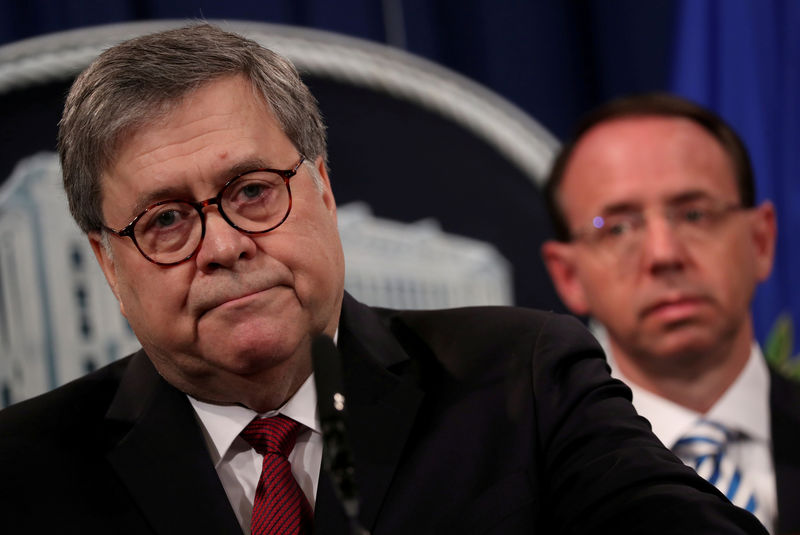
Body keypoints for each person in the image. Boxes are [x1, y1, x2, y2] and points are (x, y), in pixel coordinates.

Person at [0, 25, 767, 535]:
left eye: (253, 191)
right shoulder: (25, 470)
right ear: (107, 259)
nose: (226, 245)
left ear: (323, 190)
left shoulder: (522, 379)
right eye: (166, 219)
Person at [542, 93, 800, 535]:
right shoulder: (528, 495)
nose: (664, 254)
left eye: (695, 214)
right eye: (617, 227)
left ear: (761, 241)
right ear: (569, 276)